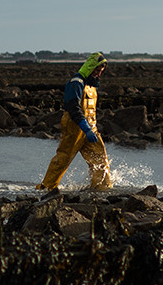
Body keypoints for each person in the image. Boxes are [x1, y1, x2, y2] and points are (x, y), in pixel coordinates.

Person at [38, 52, 112, 191]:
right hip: (75, 128)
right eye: (97, 70)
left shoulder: (92, 86)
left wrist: (90, 129)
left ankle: (102, 189)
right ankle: (46, 188)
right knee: (63, 159)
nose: (99, 74)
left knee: (101, 160)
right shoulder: (76, 83)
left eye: (101, 71)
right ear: (90, 67)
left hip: (91, 129)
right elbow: (73, 108)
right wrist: (85, 127)